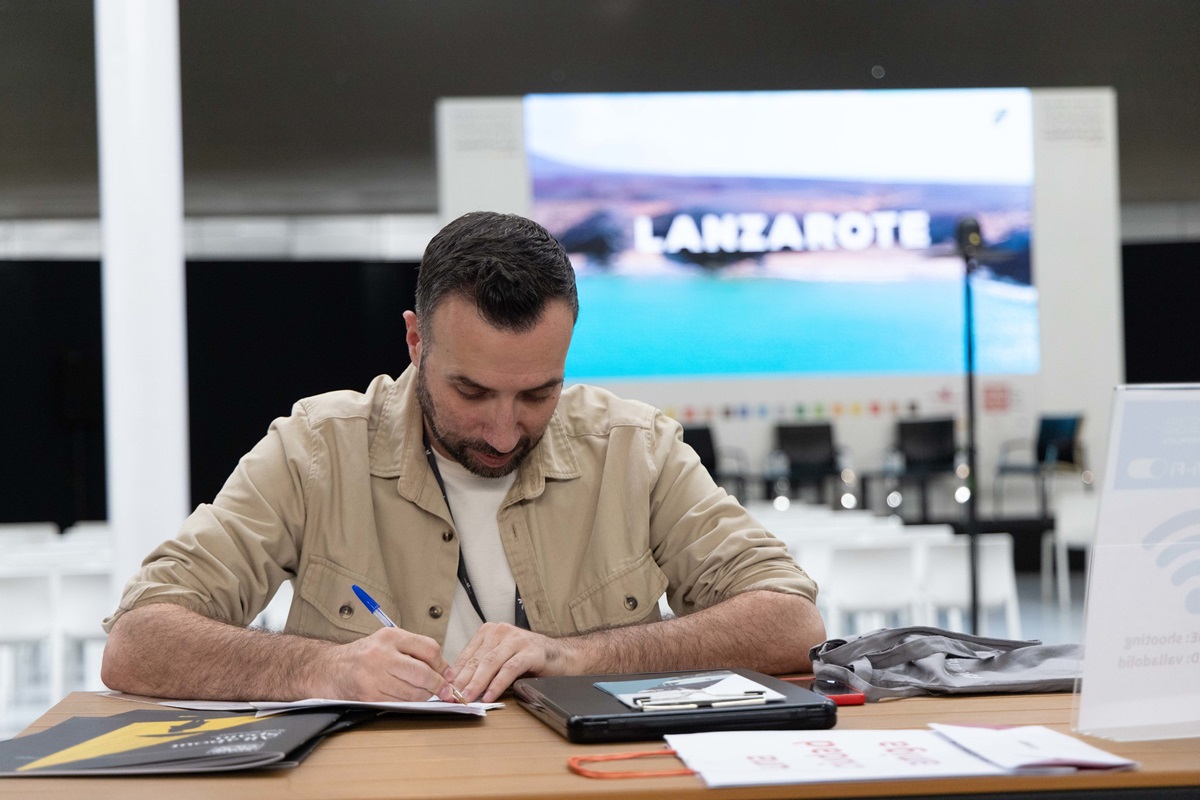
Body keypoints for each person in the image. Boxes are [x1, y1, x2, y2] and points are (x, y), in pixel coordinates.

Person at [101, 211, 825, 705]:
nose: (505, 432)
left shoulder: (635, 450)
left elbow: (790, 622)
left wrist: (577, 659)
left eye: (538, 393)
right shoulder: (313, 451)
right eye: (472, 391)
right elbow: (138, 643)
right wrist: (324, 667)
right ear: (416, 342)